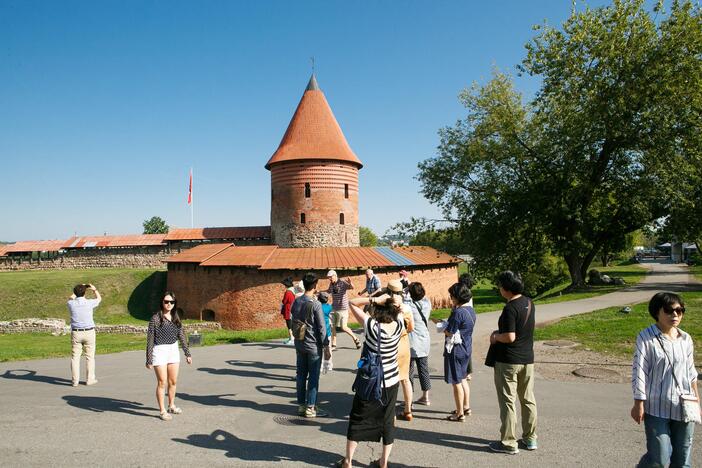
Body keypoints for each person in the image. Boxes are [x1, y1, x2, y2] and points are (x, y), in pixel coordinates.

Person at [337, 293, 406, 468]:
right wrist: (394, 303)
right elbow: (402, 309)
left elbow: (352, 302)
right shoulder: (399, 324)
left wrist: (375, 299)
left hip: (370, 381)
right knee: (387, 420)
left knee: (358, 418)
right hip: (391, 381)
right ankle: (383, 462)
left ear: (378, 309)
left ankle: (348, 461)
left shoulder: (372, 326)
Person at [631, 292, 699, 467]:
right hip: (656, 407)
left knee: (682, 459)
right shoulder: (646, 338)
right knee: (658, 459)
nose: (675, 315)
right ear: (657, 312)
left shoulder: (686, 339)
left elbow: (691, 373)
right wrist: (639, 402)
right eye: (669, 310)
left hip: (684, 407)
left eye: (679, 310)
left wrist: (697, 403)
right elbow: (639, 371)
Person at [489, 271, 537, 454]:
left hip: (508, 361)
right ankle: (530, 438)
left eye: (501, 285)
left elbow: (510, 336)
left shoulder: (510, 308)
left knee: (508, 401)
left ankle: (508, 443)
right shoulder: (529, 302)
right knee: (527, 399)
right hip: (527, 359)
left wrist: (495, 337)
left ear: (507, 289)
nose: (499, 288)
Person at [146, 291, 192, 421]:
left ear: (174, 303)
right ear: (162, 302)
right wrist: (149, 359)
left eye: (171, 302)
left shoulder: (176, 317)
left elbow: (182, 336)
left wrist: (187, 353)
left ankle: (171, 405)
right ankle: (162, 411)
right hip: (159, 350)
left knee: (173, 381)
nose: (169, 304)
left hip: (173, 349)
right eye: (166, 302)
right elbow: (150, 339)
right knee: (162, 382)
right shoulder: (155, 318)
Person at [292, 272, 331, 418]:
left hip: (299, 342)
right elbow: (322, 328)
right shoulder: (316, 304)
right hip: (313, 345)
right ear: (315, 286)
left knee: (301, 375)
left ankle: (301, 405)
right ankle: (310, 407)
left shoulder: (297, 301)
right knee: (313, 376)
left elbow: (294, 317)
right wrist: (326, 347)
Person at [442, 282, 476, 422]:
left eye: (452, 296)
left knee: (456, 382)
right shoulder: (470, 311)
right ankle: (466, 407)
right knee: (463, 379)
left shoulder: (458, 312)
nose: (451, 298)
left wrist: (442, 326)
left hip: (456, 350)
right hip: (466, 347)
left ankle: (460, 413)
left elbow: (449, 332)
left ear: (457, 296)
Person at [384, 279, 415, 422]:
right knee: (405, 379)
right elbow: (411, 328)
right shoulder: (406, 307)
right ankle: (408, 410)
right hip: (404, 344)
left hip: (391, 345)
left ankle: (391, 414)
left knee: (391, 380)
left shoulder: (386, 306)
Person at [67, 283, 101, 386]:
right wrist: (94, 289)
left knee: (75, 357)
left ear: (75, 293)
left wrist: (79, 288)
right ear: (85, 293)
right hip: (89, 331)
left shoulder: (71, 303)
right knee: (90, 357)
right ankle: (90, 379)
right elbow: (99, 299)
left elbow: (70, 297)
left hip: (76, 332)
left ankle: (75, 381)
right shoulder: (89, 303)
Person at [406, 282, 433, 406]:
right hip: (424, 340)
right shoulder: (427, 303)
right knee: (423, 369)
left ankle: (409, 399)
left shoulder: (409, 306)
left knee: (409, 372)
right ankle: (425, 396)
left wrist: (406, 289)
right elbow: (424, 296)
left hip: (411, 342)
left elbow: (402, 300)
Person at [326, 270, 361, 350]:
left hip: (343, 309)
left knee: (344, 327)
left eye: (330, 277)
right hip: (334, 308)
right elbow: (328, 291)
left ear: (335, 275)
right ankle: (334, 344)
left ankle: (356, 339)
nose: (330, 279)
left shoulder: (342, 282)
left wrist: (351, 282)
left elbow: (352, 287)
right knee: (332, 326)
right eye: (329, 278)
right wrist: (318, 292)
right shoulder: (331, 284)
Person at [280, 277, 296, 345]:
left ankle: (291, 338)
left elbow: (284, 301)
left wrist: (282, 302)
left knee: (289, 324)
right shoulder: (293, 290)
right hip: (292, 308)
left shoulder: (288, 292)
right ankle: (292, 338)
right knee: (291, 323)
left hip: (288, 309)